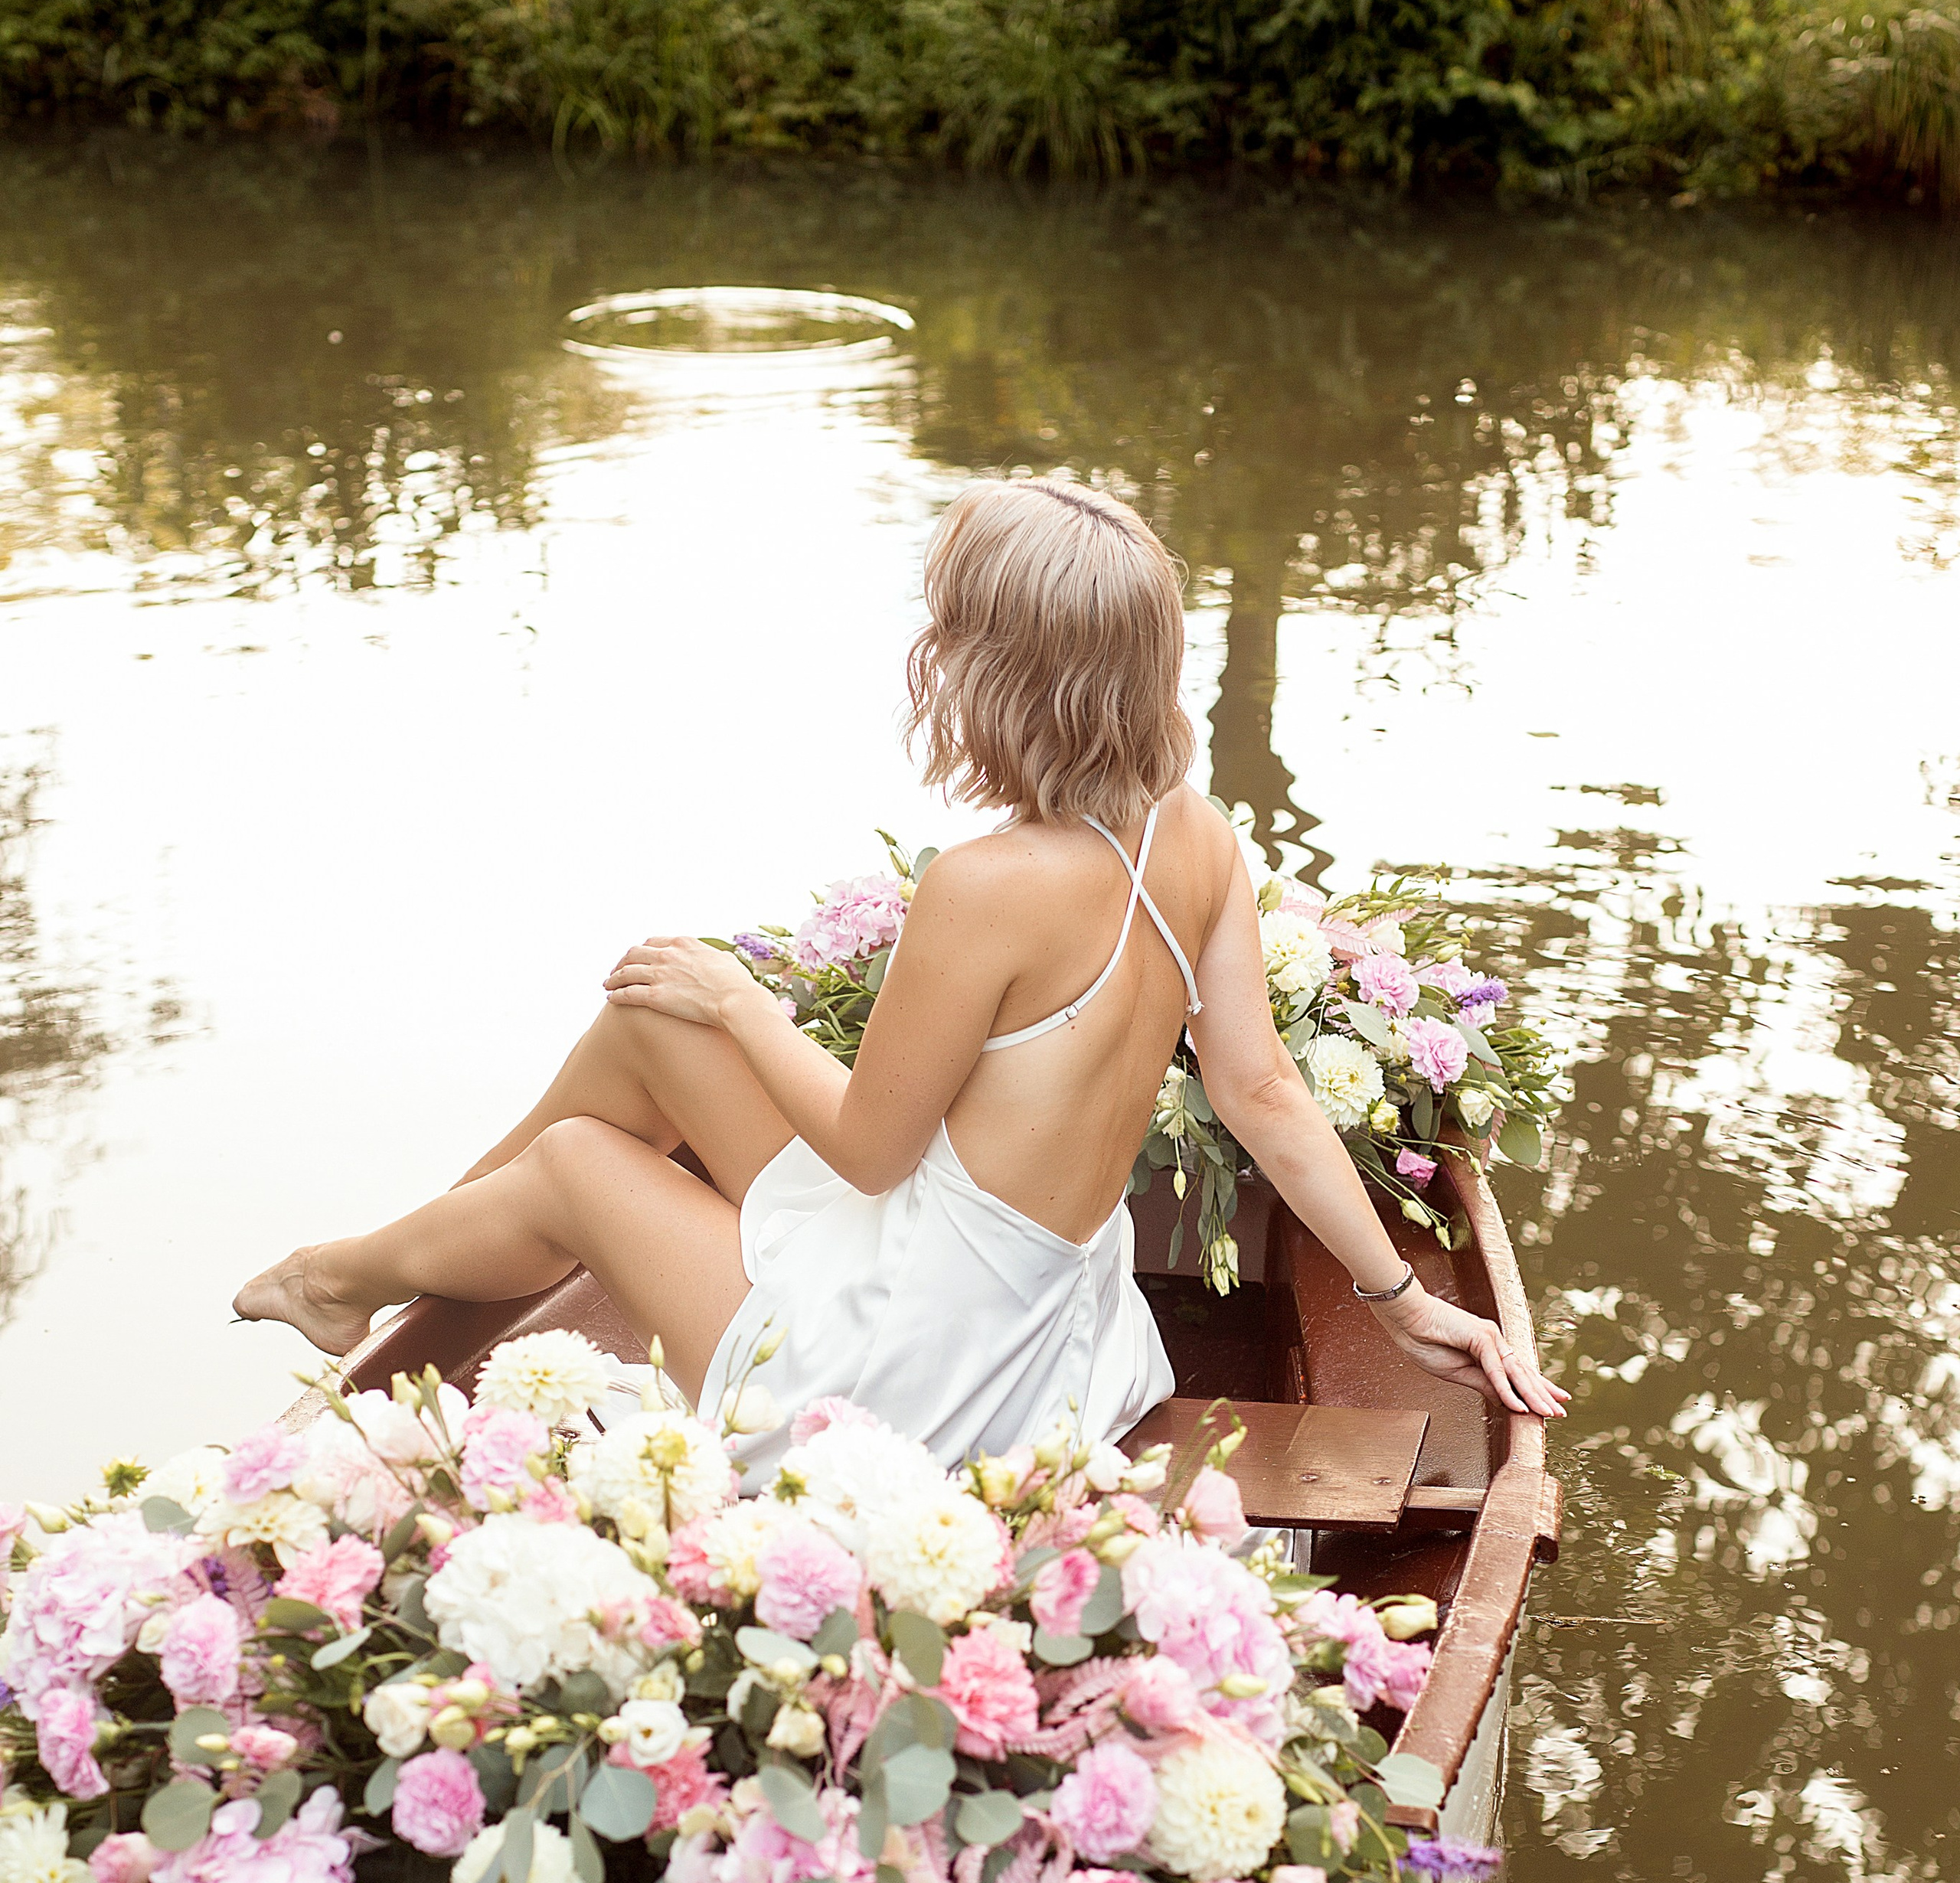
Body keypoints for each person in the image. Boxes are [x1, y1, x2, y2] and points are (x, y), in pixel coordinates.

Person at [235, 480, 1566, 1464]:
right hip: (1036, 1319)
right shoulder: (1197, 833)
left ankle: (369, 1282)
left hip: (909, 1375)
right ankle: (393, 1278)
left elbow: (873, 1153)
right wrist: (1395, 1301)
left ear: (986, 677)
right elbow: (1265, 1091)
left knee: (587, 1158)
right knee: (650, 1019)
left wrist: (749, 1004)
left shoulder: (986, 888)